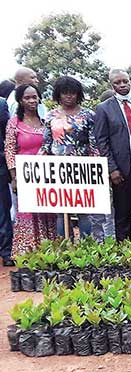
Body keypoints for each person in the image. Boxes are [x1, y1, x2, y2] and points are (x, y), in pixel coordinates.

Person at [41, 76, 107, 241]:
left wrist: (97, 167)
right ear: (59, 95)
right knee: (60, 212)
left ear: (78, 94)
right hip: (57, 170)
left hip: (82, 169)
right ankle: (64, 247)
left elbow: (93, 144)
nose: (69, 97)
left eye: (72, 93)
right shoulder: (50, 116)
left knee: (84, 211)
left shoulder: (88, 115)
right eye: (65, 93)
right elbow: (46, 143)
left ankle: (85, 246)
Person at [94, 69, 131, 241]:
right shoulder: (104, 109)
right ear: (111, 86)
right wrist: (112, 168)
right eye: (117, 83)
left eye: (125, 81)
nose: (122, 85)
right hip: (121, 171)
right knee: (123, 213)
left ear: (130, 82)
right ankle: (126, 255)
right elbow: (102, 141)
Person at [5, 84, 57, 256]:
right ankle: (28, 255)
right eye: (27, 98)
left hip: (46, 177)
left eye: (34, 97)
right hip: (25, 177)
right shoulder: (14, 123)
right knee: (28, 214)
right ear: (20, 100)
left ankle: (49, 253)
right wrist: (15, 178)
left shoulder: (46, 121)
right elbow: (10, 150)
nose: (32, 100)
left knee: (47, 214)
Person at [0, 92, 11, 265]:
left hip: (0, 166)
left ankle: (6, 252)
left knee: (2, 211)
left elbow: (5, 134)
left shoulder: (1, 104)